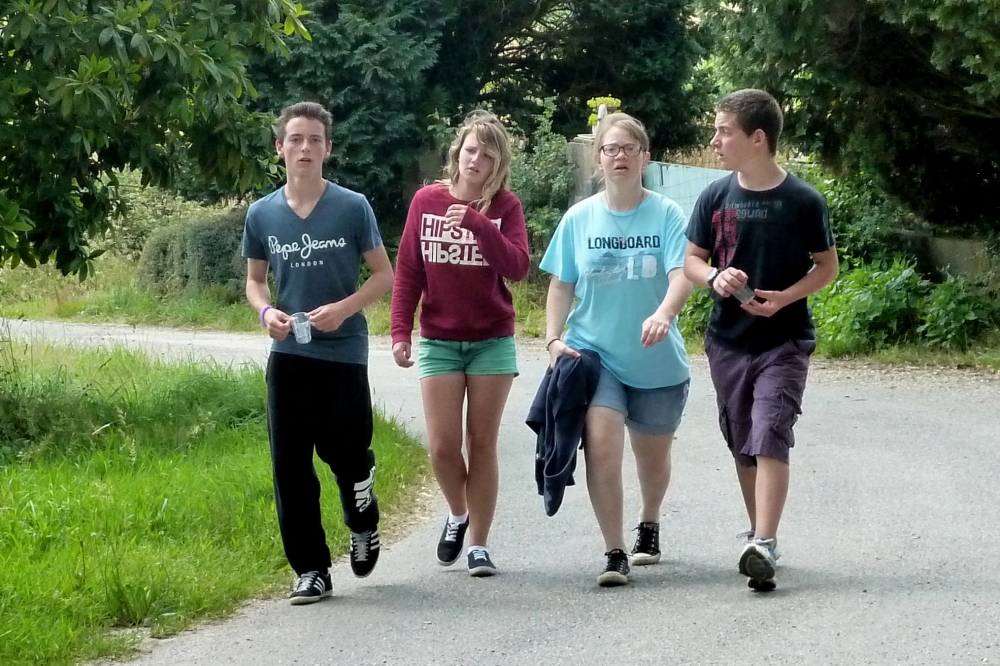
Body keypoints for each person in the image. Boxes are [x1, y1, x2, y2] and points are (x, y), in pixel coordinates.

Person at [683, 89, 838, 591]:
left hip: (784, 341)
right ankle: (757, 536)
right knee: (742, 439)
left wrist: (785, 298)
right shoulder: (714, 196)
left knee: (770, 429)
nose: (714, 140)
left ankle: (765, 542)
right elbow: (691, 261)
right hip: (727, 341)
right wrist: (715, 277)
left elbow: (827, 267)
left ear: (757, 137)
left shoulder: (803, 200)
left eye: (723, 131)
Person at [242, 102, 394, 605]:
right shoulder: (262, 213)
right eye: (295, 139)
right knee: (289, 465)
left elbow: (384, 276)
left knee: (347, 454)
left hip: (343, 352)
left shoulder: (352, 207)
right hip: (289, 353)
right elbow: (255, 281)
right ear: (279, 147)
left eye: (313, 140)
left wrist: (344, 309)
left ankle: (362, 521)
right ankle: (311, 569)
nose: (304, 148)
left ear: (328, 148)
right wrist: (267, 313)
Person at [541, 112, 693, 587]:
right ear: (598, 158)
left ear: (645, 158)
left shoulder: (668, 214)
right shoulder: (578, 218)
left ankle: (649, 519)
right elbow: (561, 284)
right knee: (602, 445)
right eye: (611, 149)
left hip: (656, 358)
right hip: (594, 355)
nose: (620, 156)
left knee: (653, 459)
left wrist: (664, 313)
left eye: (629, 148)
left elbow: (683, 274)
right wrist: (553, 338)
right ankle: (614, 551)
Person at [390, 110, 529, 576]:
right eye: (471, 150)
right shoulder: (426, 201)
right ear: (457, 152)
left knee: (482, 443)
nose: (476, 160)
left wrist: (479, 224)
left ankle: (479, 546)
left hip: (492, 340)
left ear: (497, 164)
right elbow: (408, 271)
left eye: (487, 155)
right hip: (440, 339)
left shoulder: (505, 207)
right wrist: (400, 331)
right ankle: (458, 512)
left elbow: (517, 267)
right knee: (443, 448)